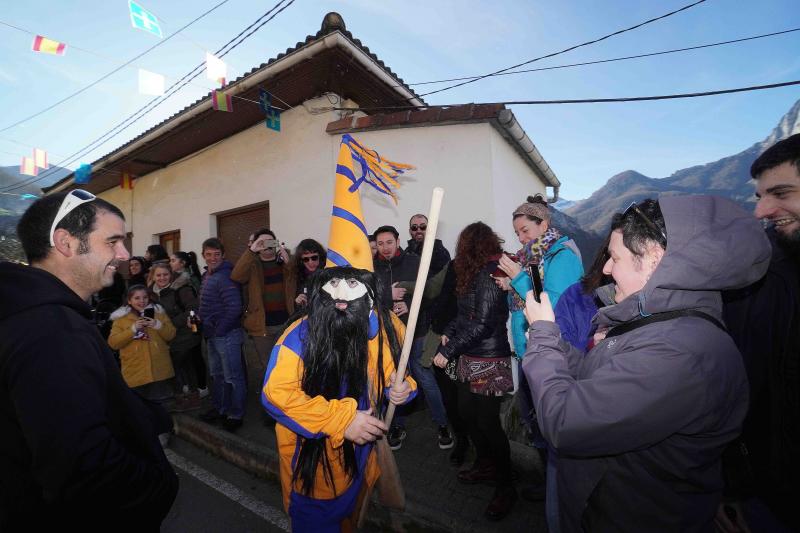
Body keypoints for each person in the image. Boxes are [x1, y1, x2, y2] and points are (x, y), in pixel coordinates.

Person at [522, 195, 770, 531]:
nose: (606, 269)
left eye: (614, 257)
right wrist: (555, 342)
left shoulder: (679, 352)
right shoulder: (662, 323)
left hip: (631, 516)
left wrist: (541, 334)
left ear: (654, 259)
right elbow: (598, 380)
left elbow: (566, 422)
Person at [0, 190, 178, 529]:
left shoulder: (38, 318)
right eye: (112, 241)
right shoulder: (51, 332)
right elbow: (83, 468)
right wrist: (159, 486)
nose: (124, 255)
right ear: (66, 242)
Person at [262, 266, 416, 531]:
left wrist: (402, 389)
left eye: (353, 284)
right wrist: (342, 420)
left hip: (362, 452)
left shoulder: (385, 325)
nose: (341, 293)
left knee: (352, 515)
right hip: (315, 460)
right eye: (334, 282)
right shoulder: (299, 336)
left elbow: (396, 374)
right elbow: (276, 394)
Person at [717, 133, 800, 532]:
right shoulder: (758, 277)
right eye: (760, 196)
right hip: (769, 496)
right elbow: (737, 385)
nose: (762, 211)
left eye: (781, 192)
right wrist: (731, 484)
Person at [433, 221, 516, 521]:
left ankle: (507, 486)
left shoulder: (491, 275)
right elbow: (463, 314)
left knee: (489, 423)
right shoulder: (473, 275)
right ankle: (486, 463)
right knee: (467, 413)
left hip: (491, 359)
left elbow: (482, 324)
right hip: (471, 356)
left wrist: (447, 351)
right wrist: (449, 330)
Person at [373, 225, 453, 451]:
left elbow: (430, 294)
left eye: (389, 242)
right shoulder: (371, 269)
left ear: (398, 242)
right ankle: (397, 426)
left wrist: (408, 305)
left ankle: (442, 424)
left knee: (425, 379)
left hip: (415, 331)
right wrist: (388, 298)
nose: (385, 247)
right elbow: (367, 300)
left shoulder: (414, 262)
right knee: (395, 381)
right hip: (389, 335)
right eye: (380, 243)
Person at [231, 228, 296, 398]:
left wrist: (288, 263)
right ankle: (272, 399)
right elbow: (237, 276)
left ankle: (288, 399)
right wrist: (251, 251)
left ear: (275, 243)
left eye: (270, 242)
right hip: (262, 327)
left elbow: (295, 280)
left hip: (285, 323)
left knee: (287, 363)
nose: (266, 246)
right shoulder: (252, 264)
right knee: (267, 365)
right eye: (262, 242)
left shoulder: (284, 261)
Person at [198, 237, 246, 432]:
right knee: (218, 376)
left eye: (216, 254)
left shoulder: (226, 275)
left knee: (233, 377)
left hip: (226, 335)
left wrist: (219, 330)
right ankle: (220, 409)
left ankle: (236, 415)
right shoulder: (208, 275)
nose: (212, 258)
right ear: (203, 256)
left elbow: (235, 307)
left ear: (223, 255)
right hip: (213, 335)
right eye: (208, 254)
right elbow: (207, 304)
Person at [108, 284, 176, 409]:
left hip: (159, 371)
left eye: (145, 297)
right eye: (137, 298)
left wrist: (158, 325)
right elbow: (113, 343)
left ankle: (166, 428)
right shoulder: (121, 319)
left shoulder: (158, 313)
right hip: (135, 372)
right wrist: (132, 329)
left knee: (164, 409)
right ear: (129, 300)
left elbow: (171, 334)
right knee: (140, 410)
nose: (142, 301)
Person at [150, 263, 203, 412]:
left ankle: (185, 398)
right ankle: (187, 397)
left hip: (183, 336)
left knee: (177, 367)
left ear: (171, 275)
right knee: (183, 367)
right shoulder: (151, 293)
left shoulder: (181, 289)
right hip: (164, 338)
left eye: (165, 274)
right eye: (158, 275)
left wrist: (169, 324)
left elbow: (192, 309)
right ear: (153, 277)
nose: (162, 278)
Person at [292, 238, 326, 308]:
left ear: (320, 257)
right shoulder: (296, 276)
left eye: (314, 258)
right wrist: (298, 302)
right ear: (301, 261)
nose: (310, 262)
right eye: (306, 259)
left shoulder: (328, 273)